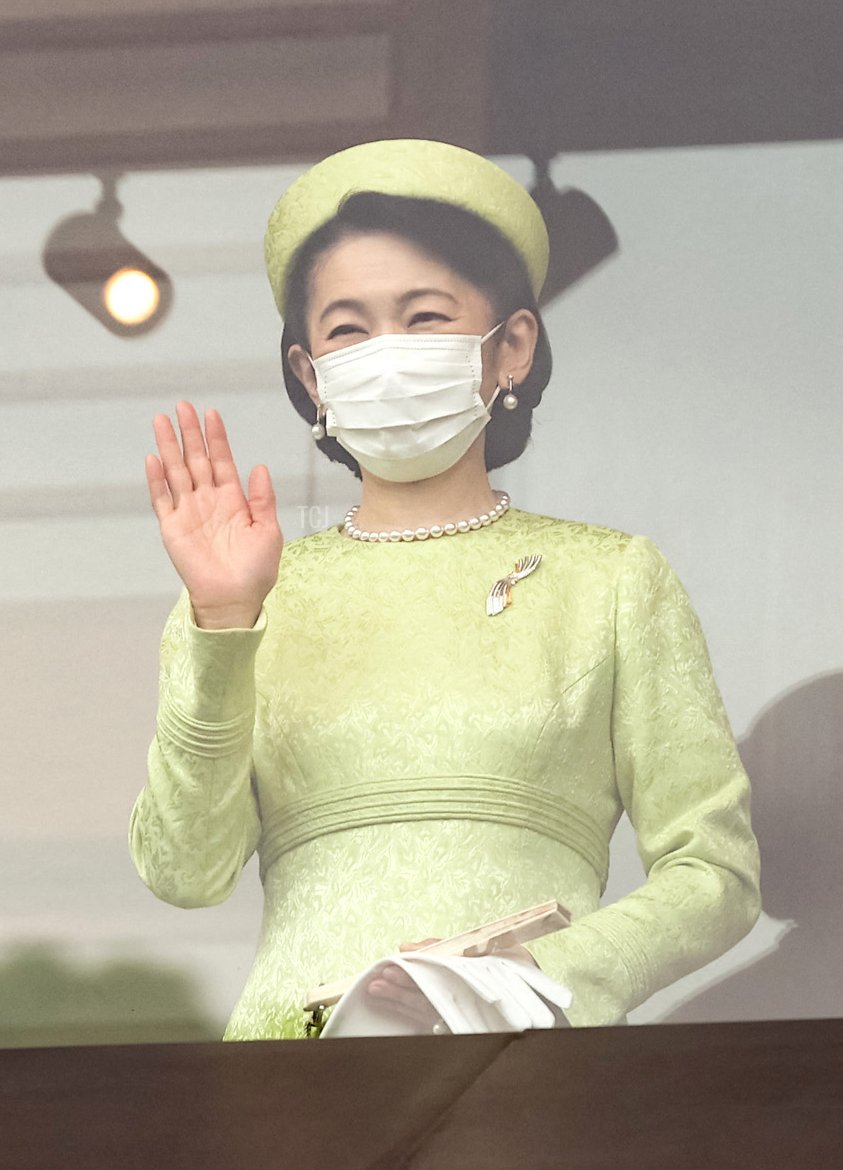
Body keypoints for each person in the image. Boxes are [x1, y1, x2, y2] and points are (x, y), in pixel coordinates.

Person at [129, 139, 761, 1040]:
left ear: (510, 347)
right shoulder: (247, 596)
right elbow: (183, 872)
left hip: (525, 1066)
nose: (385, 353)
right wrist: (224, 621)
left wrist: (530, 975)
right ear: (311, 376)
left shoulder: (612, 580)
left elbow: (715, 875)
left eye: (423, 317)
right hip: (286, 1086)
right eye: (348, 329)